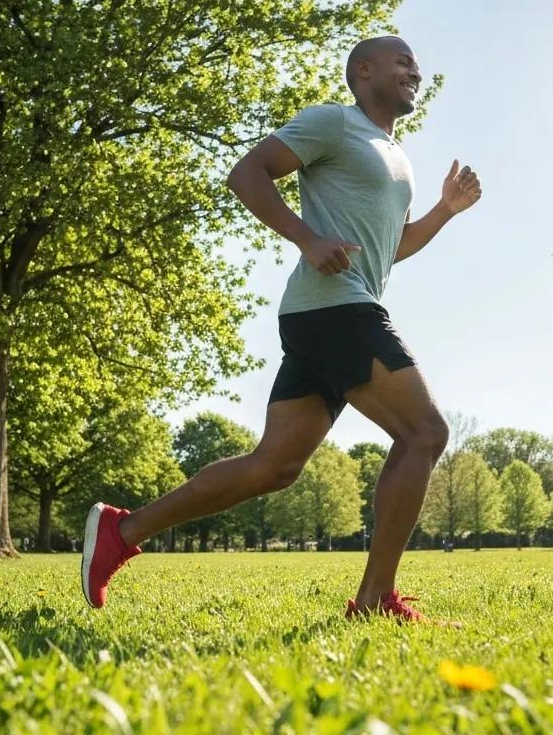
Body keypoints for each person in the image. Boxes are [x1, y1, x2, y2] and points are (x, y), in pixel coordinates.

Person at [81, 36, 482, 622]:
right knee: (423, 433)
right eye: (402, 61)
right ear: (362, 70)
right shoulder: (333, 124)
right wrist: (306, 237)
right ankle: (374, 601)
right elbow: (248, 174)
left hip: (326, 312)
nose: (414, 70)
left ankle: (123, 530)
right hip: (335, 310)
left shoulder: (394, 157)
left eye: (417, 63)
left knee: (275, 466)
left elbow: (390, 248)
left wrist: (444, 210)